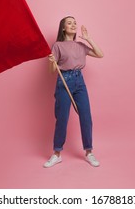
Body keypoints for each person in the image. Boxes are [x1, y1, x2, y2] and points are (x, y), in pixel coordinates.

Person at [44, 16, 104, 168]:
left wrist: (89, 38)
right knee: (62, 118)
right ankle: (57, 154)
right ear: (63, 28)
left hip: (79, 82)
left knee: (86, 116)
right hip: (64, 81)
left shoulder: (81, 45)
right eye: (69, 23)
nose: (73, 25)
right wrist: (51, 62)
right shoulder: (57, 46)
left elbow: (100, 54)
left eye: (74, 23)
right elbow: (52, 71)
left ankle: (89, 152)